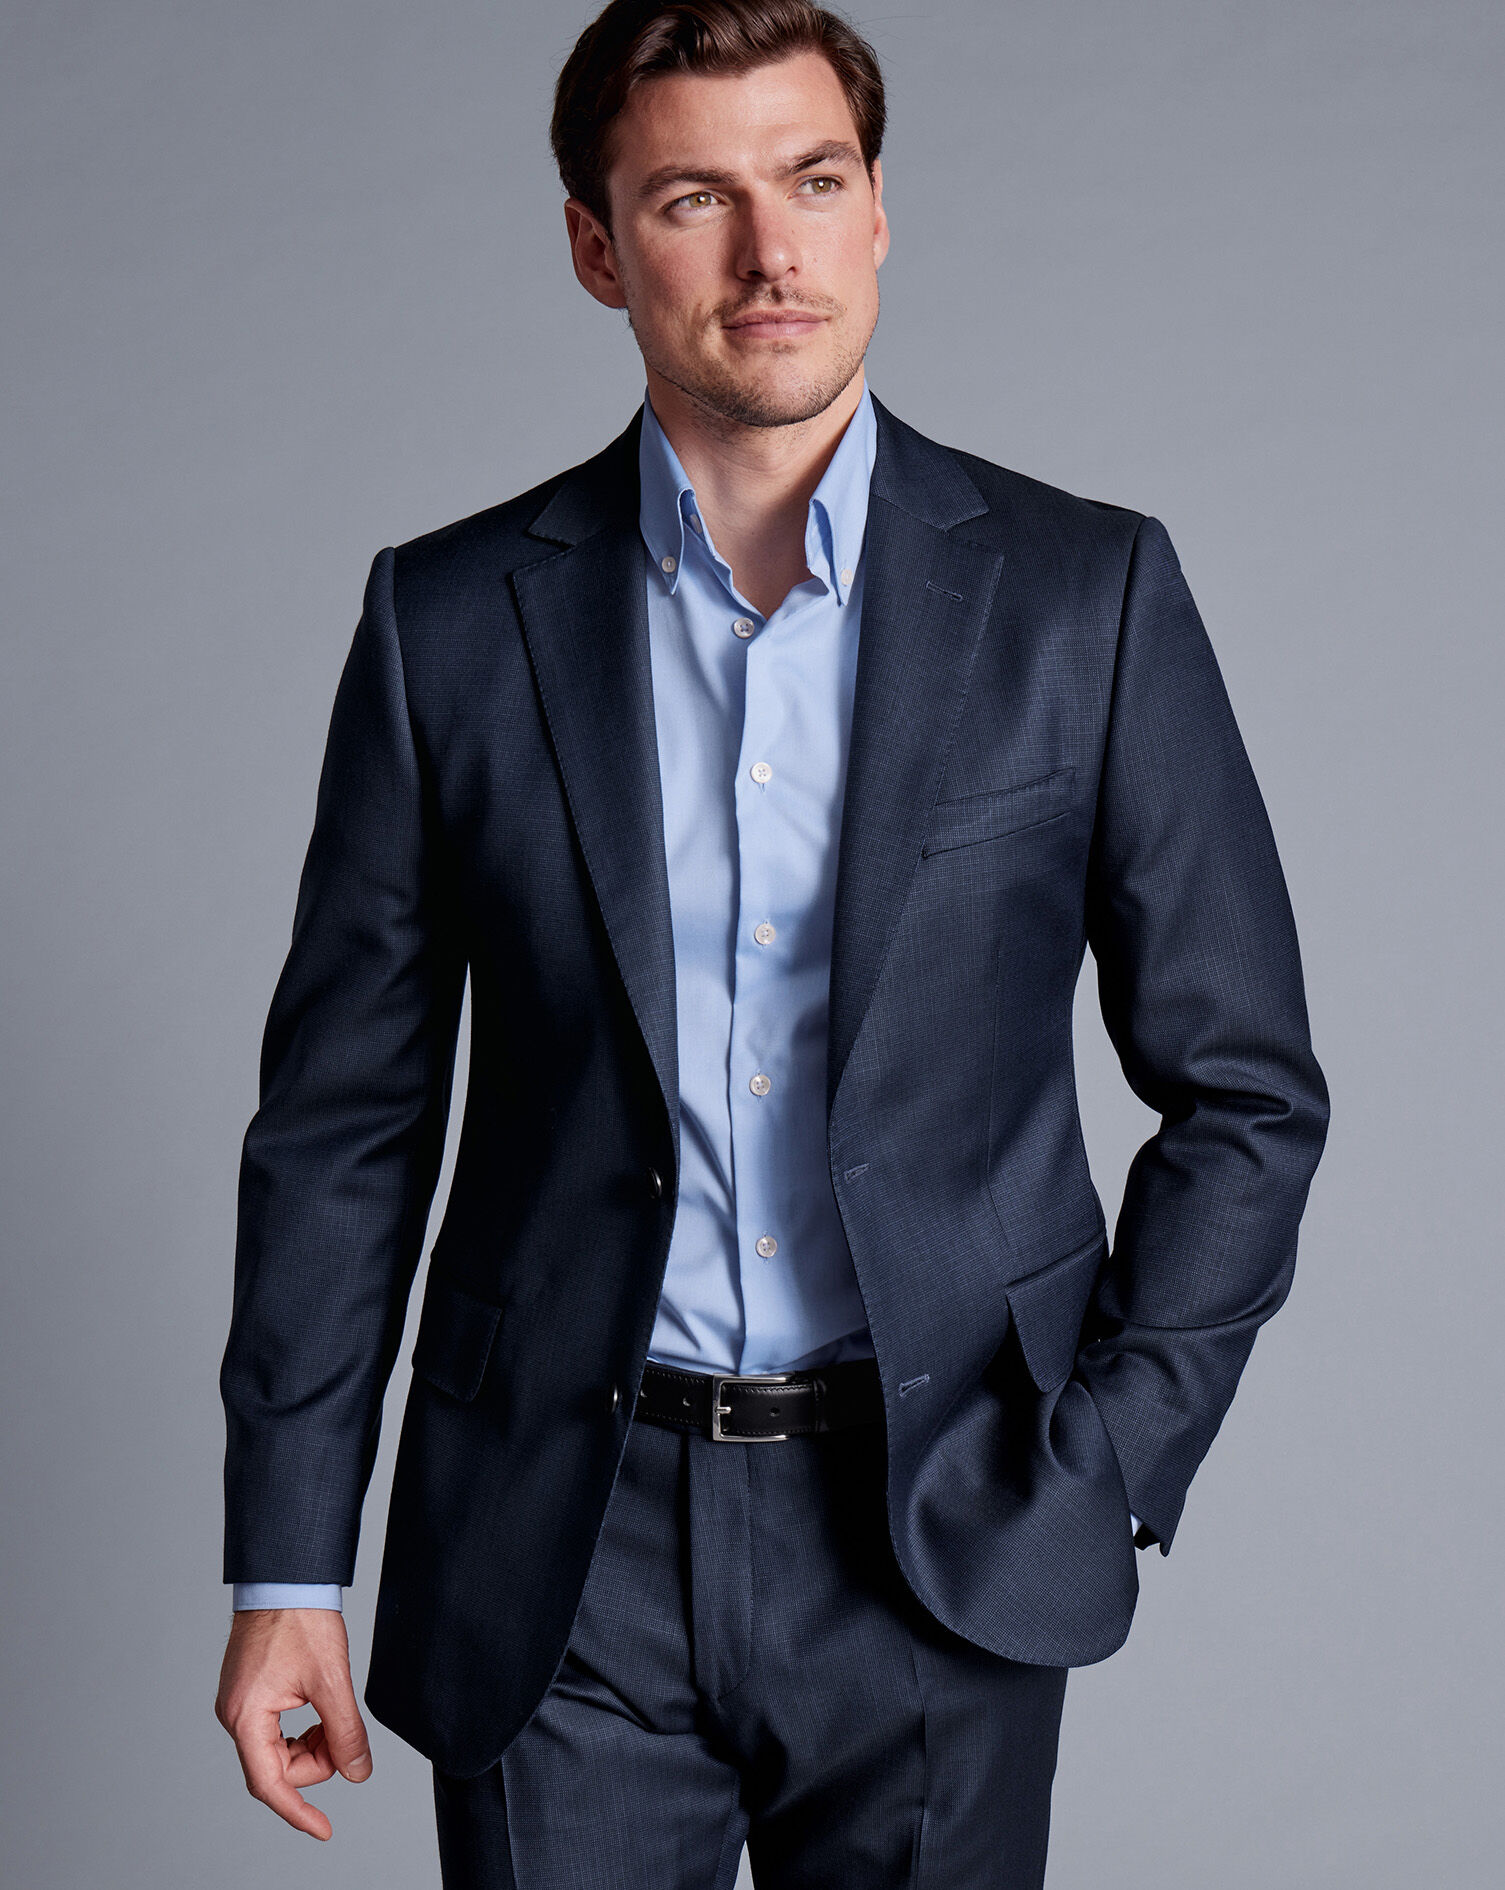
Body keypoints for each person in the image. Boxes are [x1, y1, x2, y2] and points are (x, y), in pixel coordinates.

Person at [214, 3, 1330, 1884]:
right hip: (559, 1542)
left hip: (940, 1524)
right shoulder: (450, 622)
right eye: (690, 199)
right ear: (597, 247)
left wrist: (1107, 1461)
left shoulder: (1084, 596)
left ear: (876, 209)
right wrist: (285, 1563)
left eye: (812, 181)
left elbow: (1245, 1091)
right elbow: (342, 1126)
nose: (768, 253)